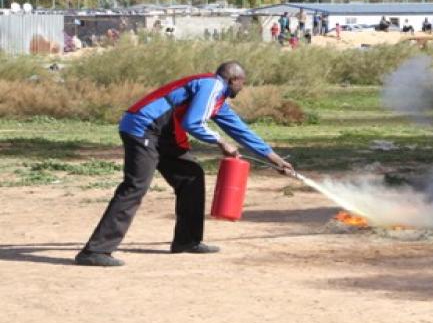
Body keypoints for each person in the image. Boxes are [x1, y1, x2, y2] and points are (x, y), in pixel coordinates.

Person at [75, 62, 293, 267]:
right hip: (143, 127)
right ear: (234, 79)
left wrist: (275, 160)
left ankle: (187, 241)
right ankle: (95, 251)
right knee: (135, 186)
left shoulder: (218, 101)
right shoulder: (212, 85)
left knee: (191, 176)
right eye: (242, 82)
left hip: (164, 135)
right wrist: (220, 142)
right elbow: (193, 122)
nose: (243, 88)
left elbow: (242, 131)